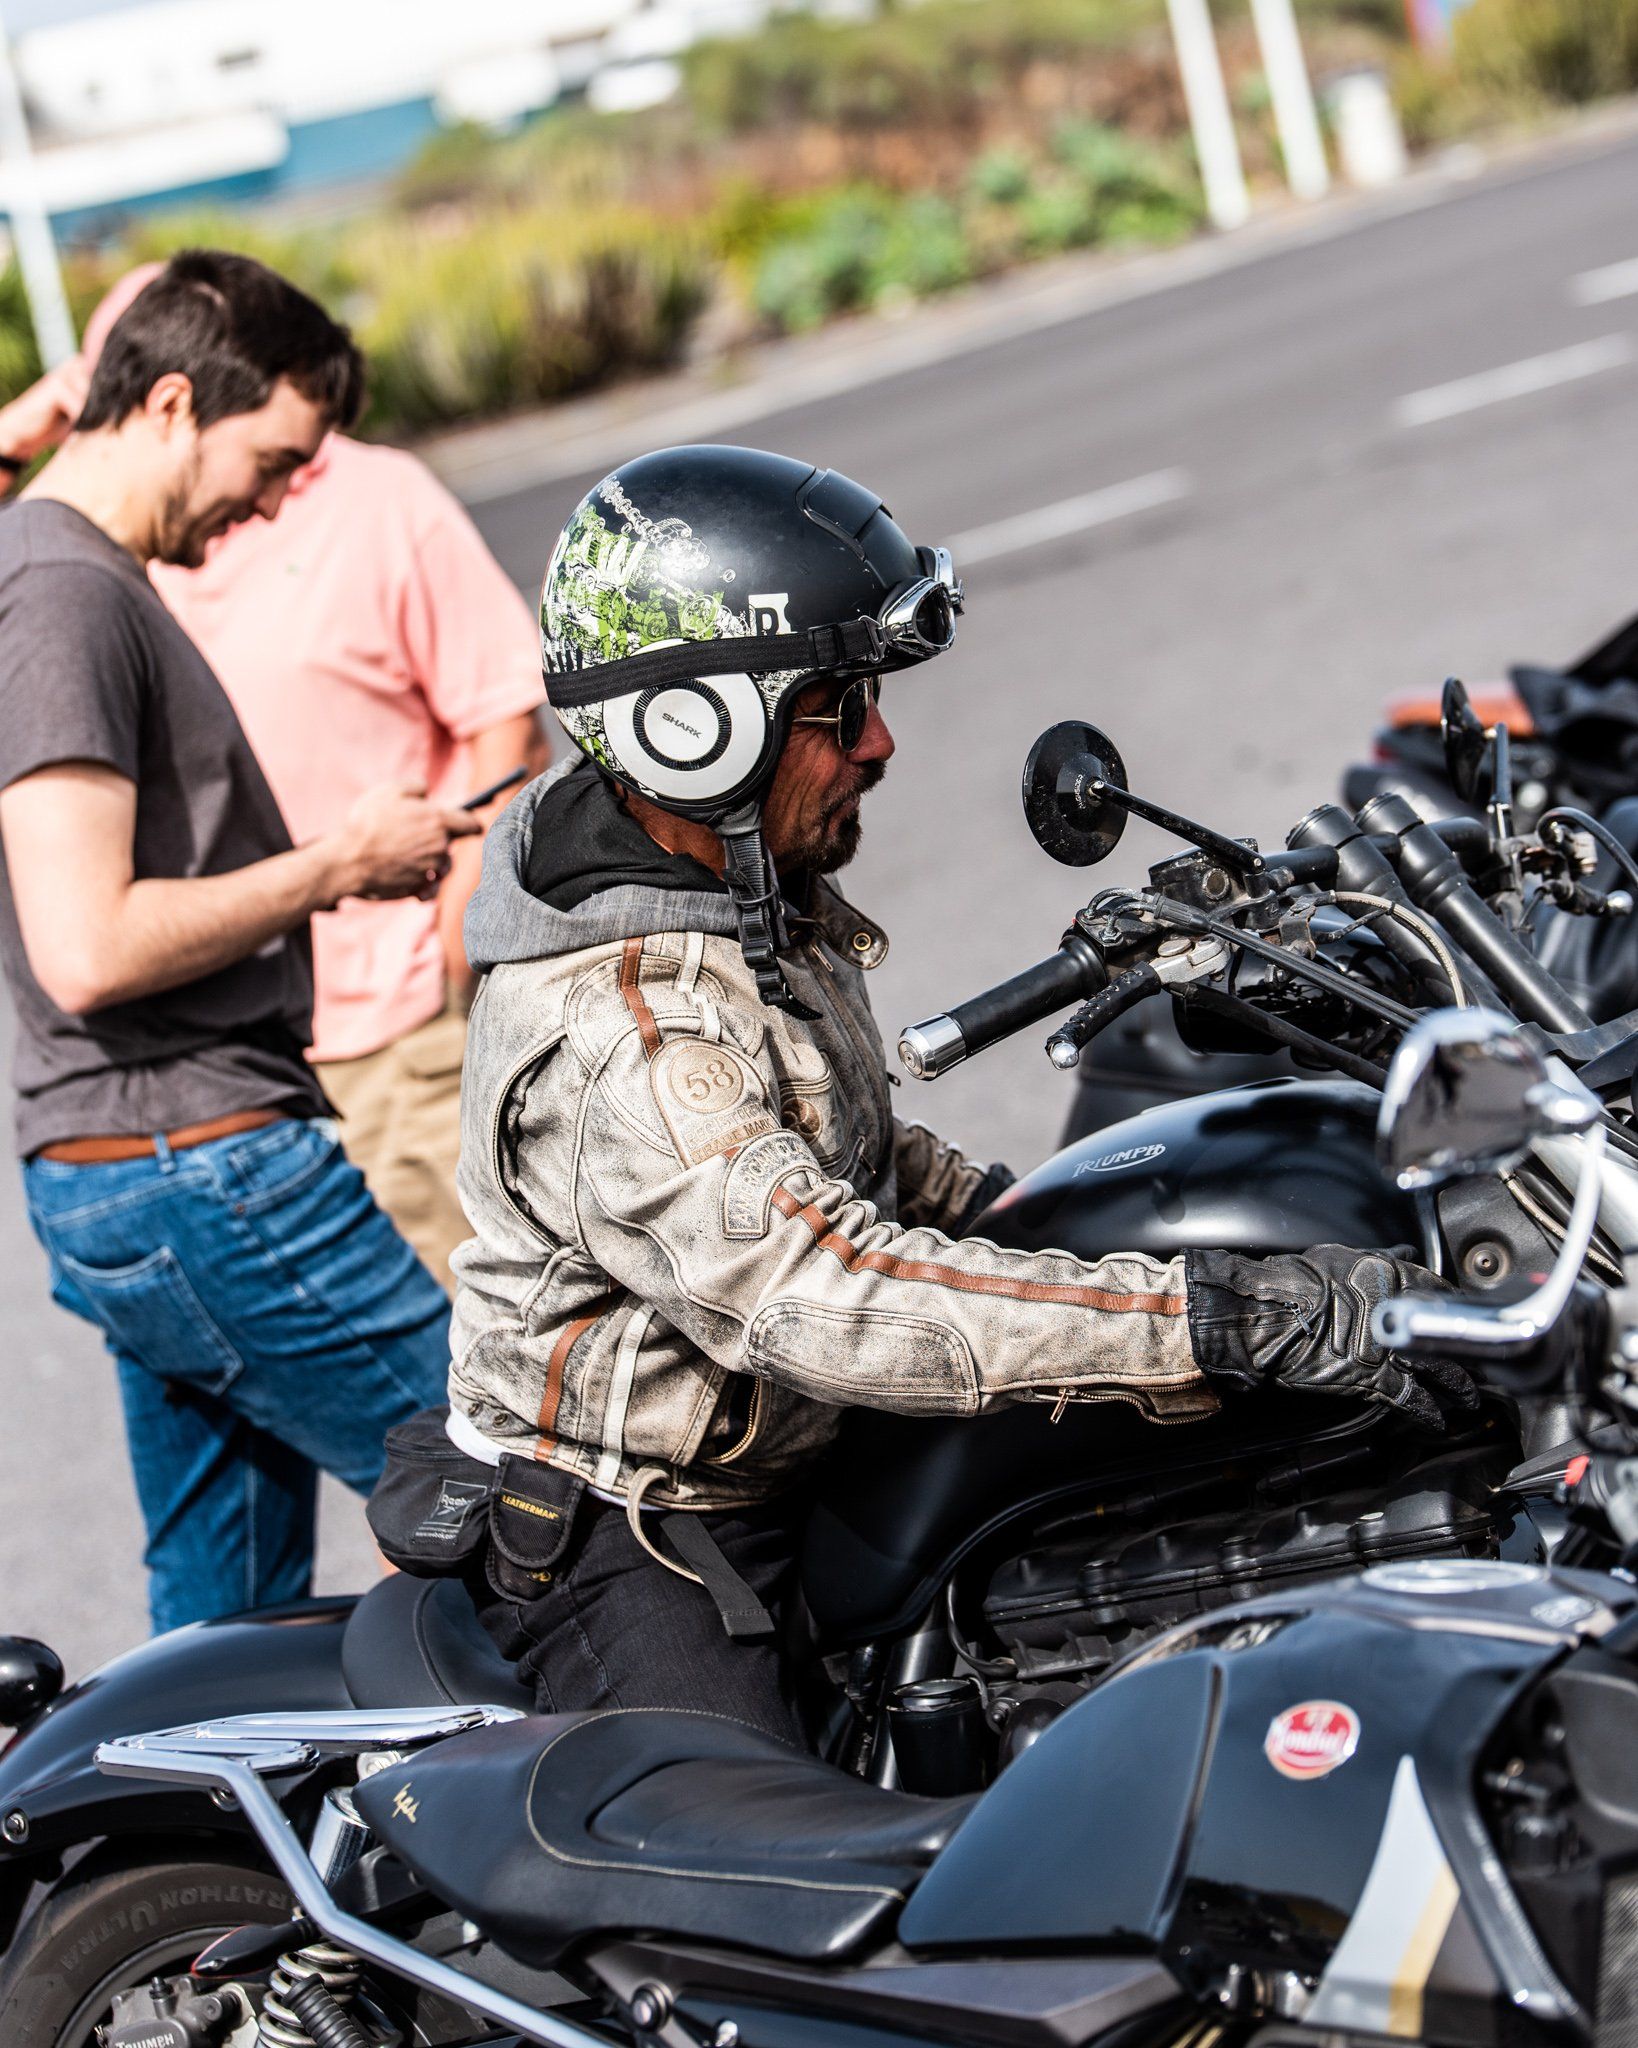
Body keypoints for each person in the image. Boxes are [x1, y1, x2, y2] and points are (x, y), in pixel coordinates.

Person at [369, 443, 1476, 1744]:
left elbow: (850, 1152)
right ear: (695, 724)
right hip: (651, 1514)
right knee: (760, 1897)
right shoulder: (622, 1025)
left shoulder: (729, 889)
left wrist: (1042, 1216)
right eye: (839, 706)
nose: (881, 742)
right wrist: (1217, 1318)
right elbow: (818, 1288)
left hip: (791, 1422)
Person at [0, 249, 482, 1634]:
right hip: (197, 1171)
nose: (275, 501)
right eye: (272, 457)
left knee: (226, 1624)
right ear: (165, 406)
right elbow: (85, 944)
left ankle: (183, 1860)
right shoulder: (64, 594)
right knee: (525, 1504)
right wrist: (334, 863)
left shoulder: (64, 573)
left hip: (142, 1174)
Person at [66, 267, 546, 1293]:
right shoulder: (97, 545)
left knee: (496, 1354)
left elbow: (503, 713)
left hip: (394, 1026)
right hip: (212, 1063)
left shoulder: (373, 498)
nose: (270, 498)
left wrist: (458, 933)